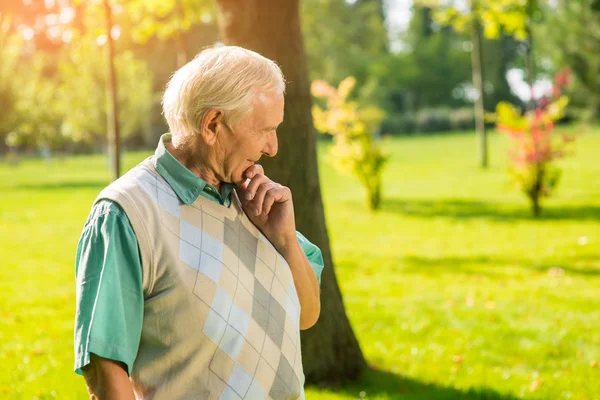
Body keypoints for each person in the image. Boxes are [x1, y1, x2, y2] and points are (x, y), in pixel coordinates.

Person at [74, 45, 324, 400]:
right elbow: (104, 363)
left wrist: (284, 241)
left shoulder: (257, 200)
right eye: (264, 130)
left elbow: (307, 315)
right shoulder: (127, 213)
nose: (273, 147)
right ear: (213, 125)